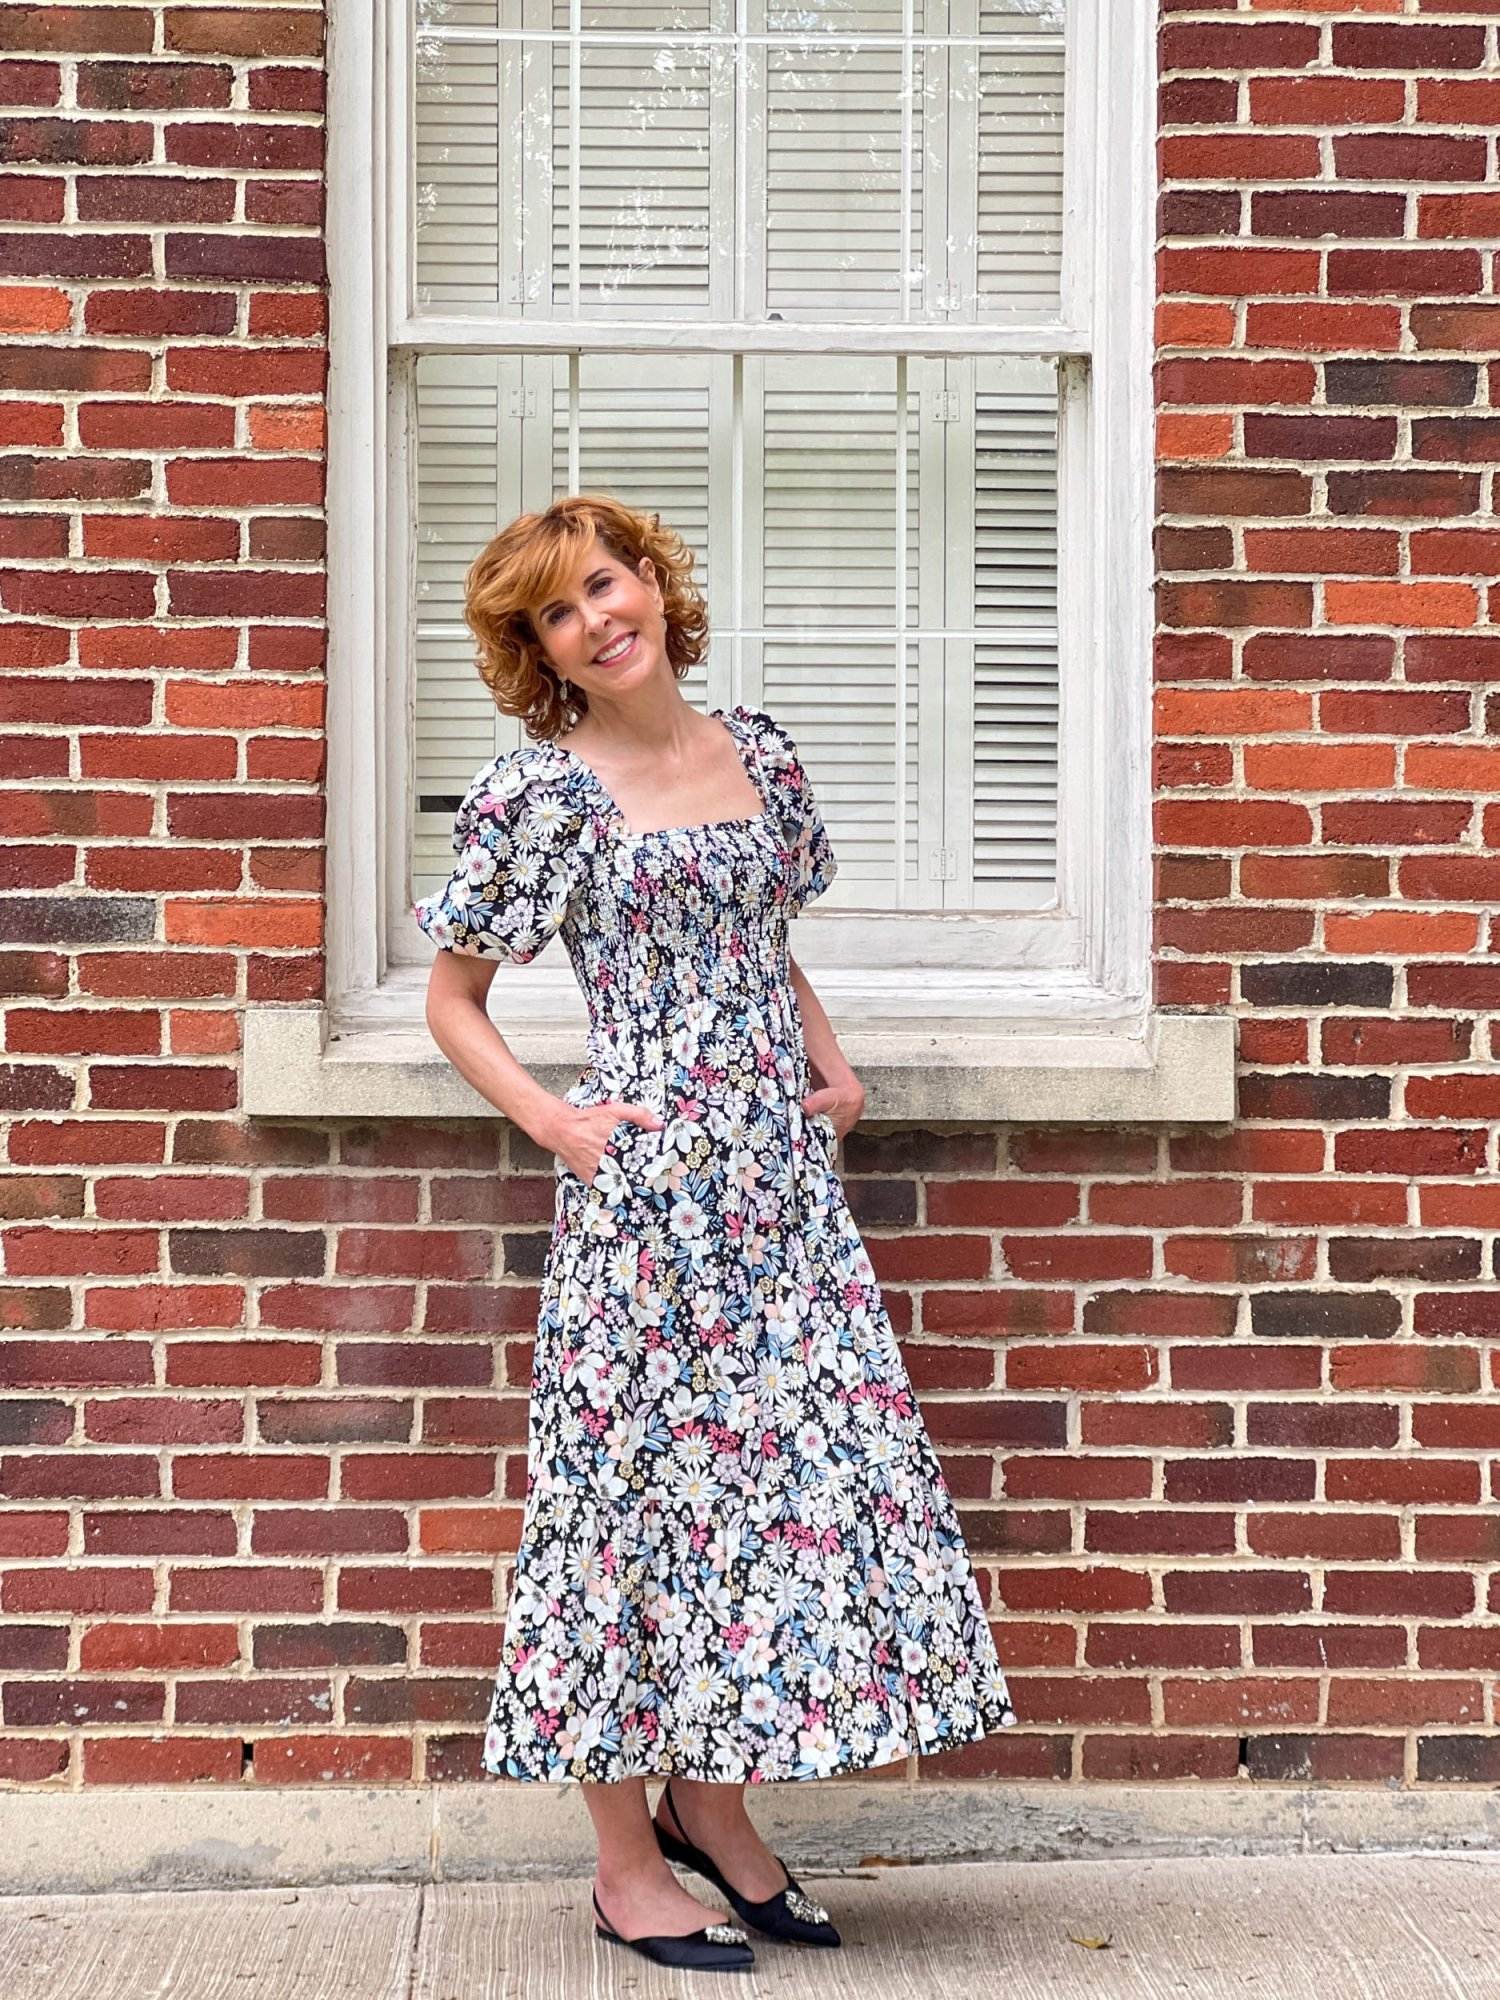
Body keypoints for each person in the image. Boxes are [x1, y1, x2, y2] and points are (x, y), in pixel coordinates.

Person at [415, 494, 1016, 1975]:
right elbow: (453, 1001)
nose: (595, 621)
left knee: (764, 1503)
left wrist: (832, 1060)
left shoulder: (758, 746)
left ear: (652, 586)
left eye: (604, 585)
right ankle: (627, 1865)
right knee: (623, 1512)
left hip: (779, 1196)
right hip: (647, 1202)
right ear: (535, 645)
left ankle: (716, 1808)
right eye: (557, 611)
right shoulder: (537, 794)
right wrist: (557, 1124)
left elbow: (766, 937)